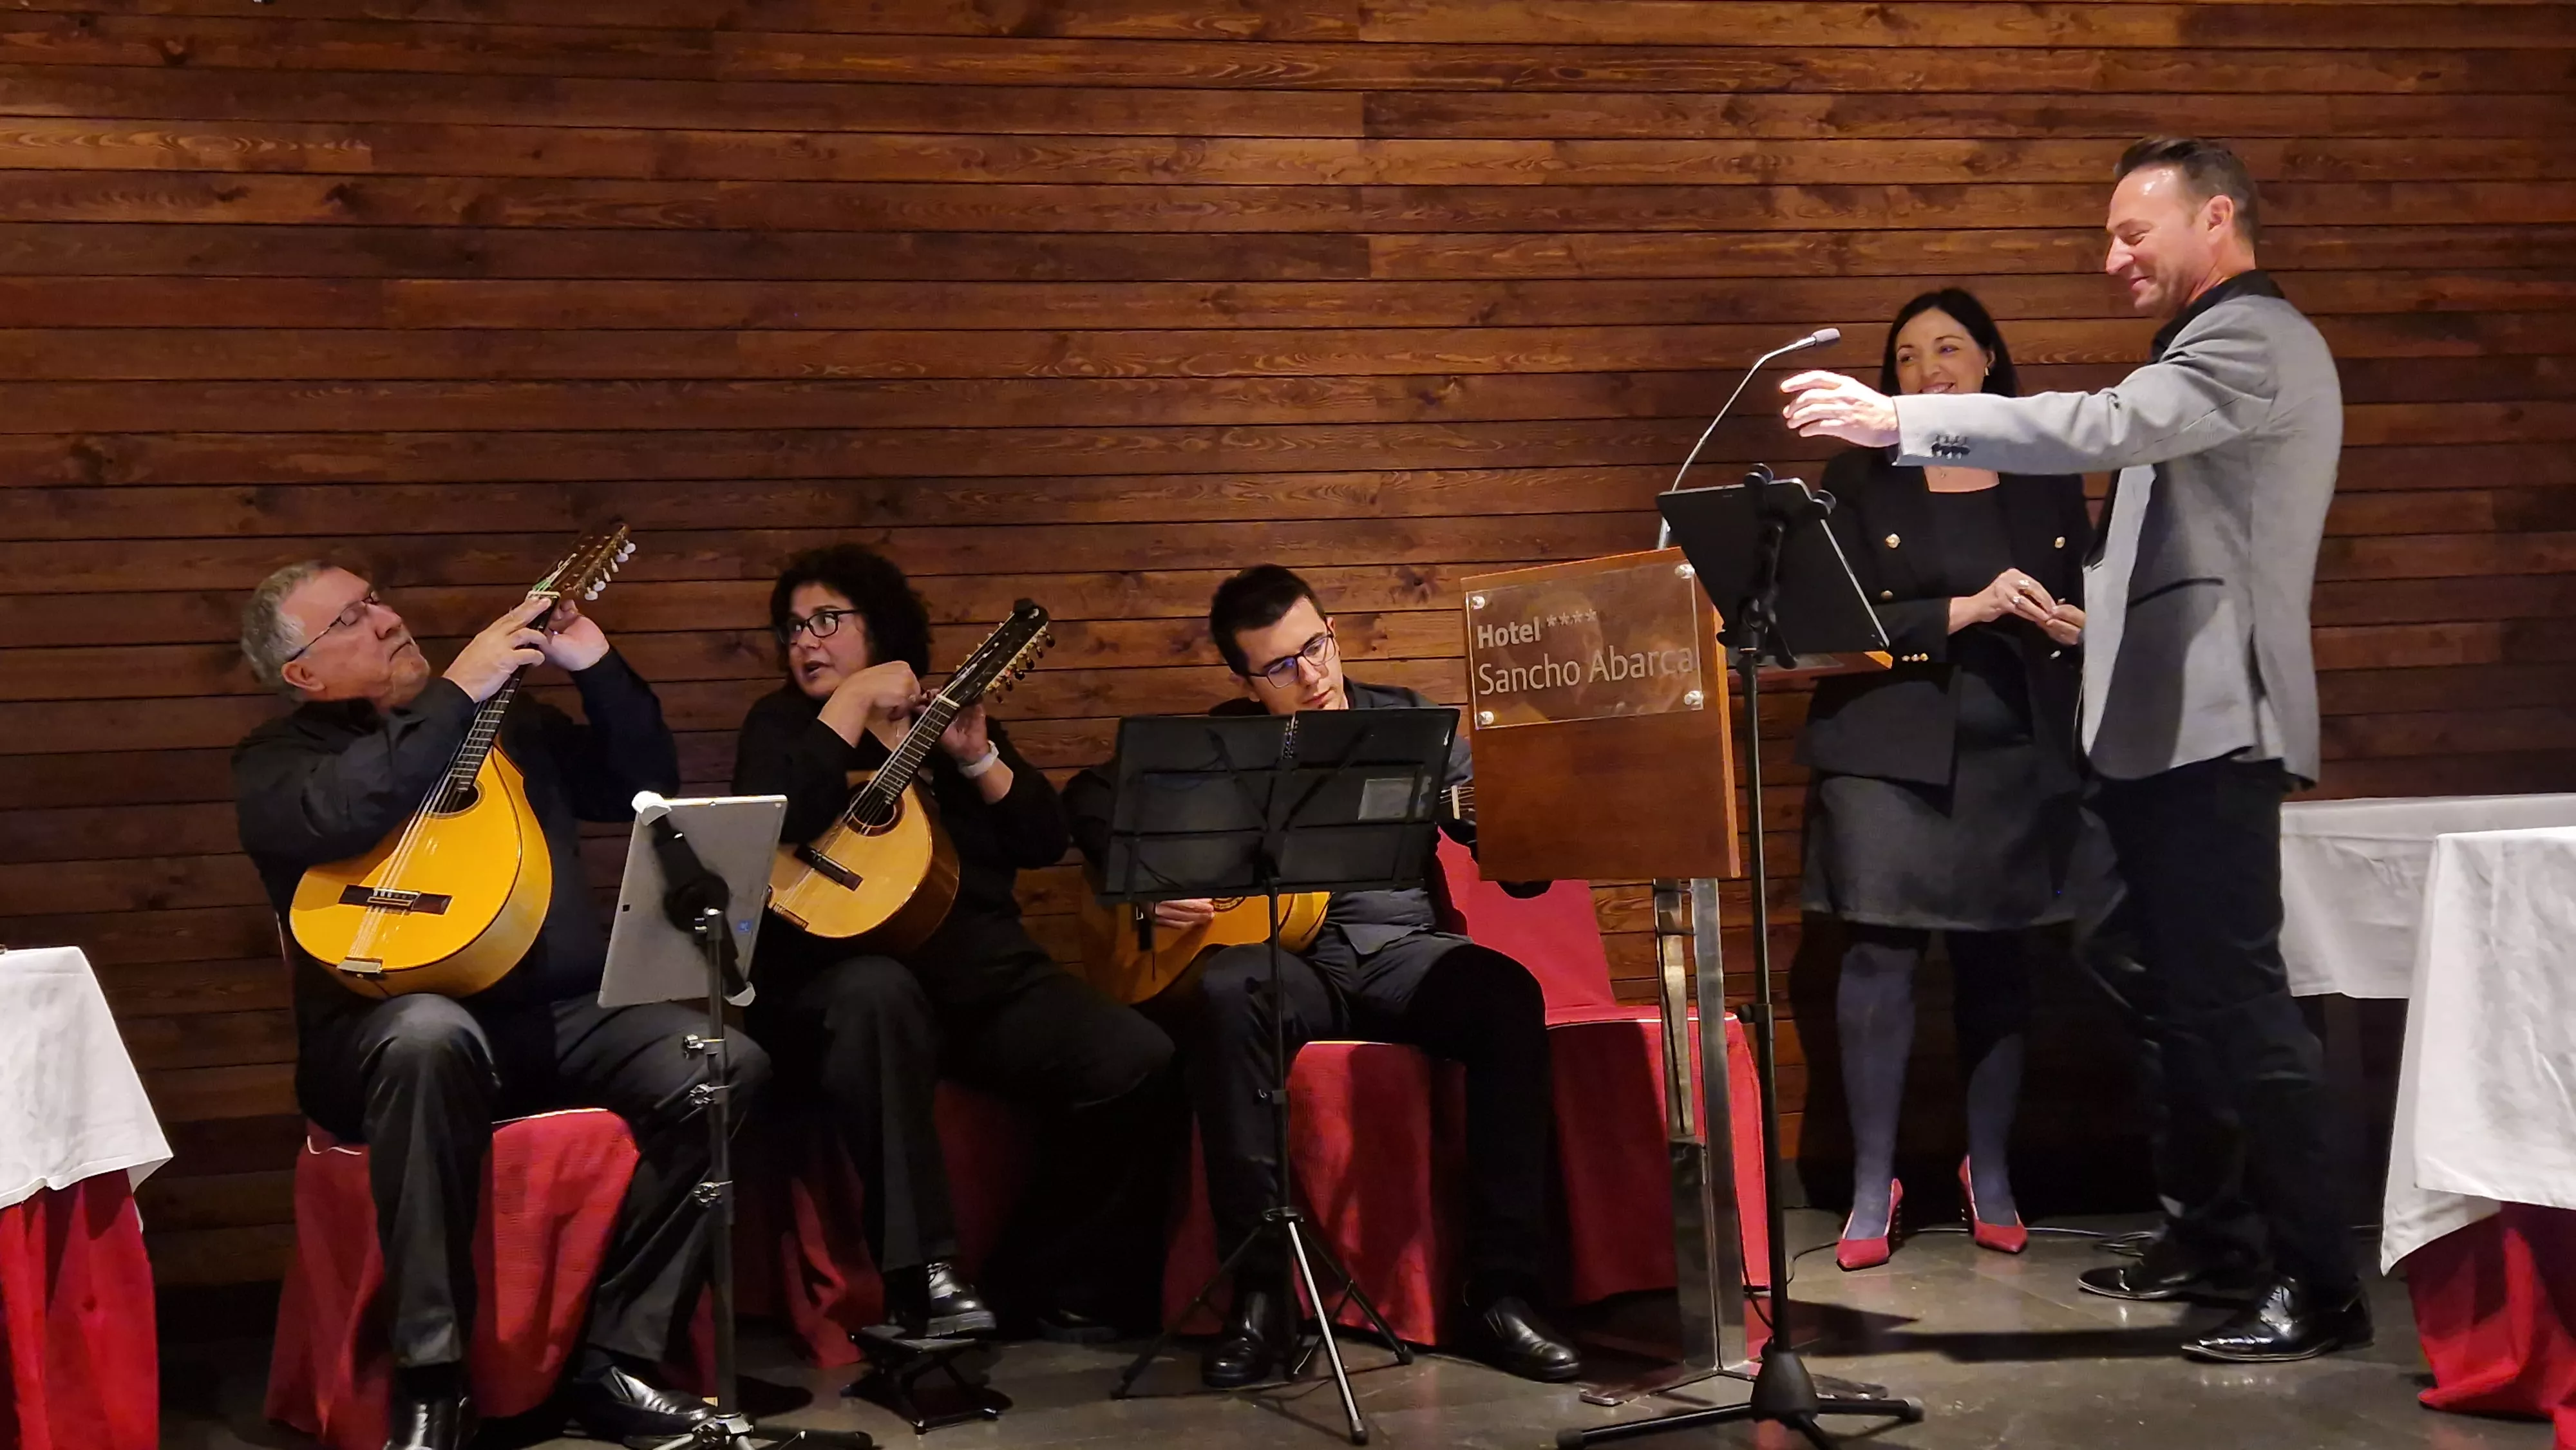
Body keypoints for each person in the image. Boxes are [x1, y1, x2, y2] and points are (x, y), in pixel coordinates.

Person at [1781, 136, 2364, 1362]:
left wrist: (1900, 416)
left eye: (2131, 234)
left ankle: (2320, 1281)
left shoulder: (2250, 337)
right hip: (2150, 734)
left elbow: (2107, 425)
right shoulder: (2203, 348)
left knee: (2239, 1009)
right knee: (2163, 998)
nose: (2113, 258)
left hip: (2215, 731)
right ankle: (2213, 1237)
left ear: (2217, 218)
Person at [232, 561, 765, 1450]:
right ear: (304, 675)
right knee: (429, 1034)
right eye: (353, 618)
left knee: (723, 1062)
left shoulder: (513, 723)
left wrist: (596, 665)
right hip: (383, 1035)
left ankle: (618, 1358)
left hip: (548, 1016)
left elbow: (644, 779)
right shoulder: (280, 762)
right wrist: (457, 690)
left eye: (378, 597)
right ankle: (432, 1379)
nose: (387, 617)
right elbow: (348, 805)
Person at [1063, 565, 1584, 1388]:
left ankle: (1502, 1291)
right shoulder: (1227, 743)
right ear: (1244, 680)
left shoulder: (1413, 726)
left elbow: (1520, 869)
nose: (1309, 675)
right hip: (1295, 959)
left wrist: (1510, 826)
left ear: (1333, 632)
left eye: (1315, 647)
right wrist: (1143, 880)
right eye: (1278, 667)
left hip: (1402, 953)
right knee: (1231, 990)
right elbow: (1089, 796)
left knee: (1504, 995)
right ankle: (1262, 1296)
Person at [729, 544, 1177, 1342]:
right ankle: (921, 1277)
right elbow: (786, 815)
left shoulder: (945, 724)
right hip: (846, 988)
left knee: (1135, 1058)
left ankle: (1044, 1278)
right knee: (876, 992)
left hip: (982, 983)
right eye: (792, 627)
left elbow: (1043, 837)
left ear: (885, 626)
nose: (805, 641)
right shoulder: (781, 726)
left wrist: (978, 756)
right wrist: (855, 696)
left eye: (827, 620)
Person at [1796, 288, 2092, 1271]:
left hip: (2014, 743)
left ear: (1991, 362)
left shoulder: (2045, 478)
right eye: (1912, 356)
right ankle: (1870, 1183)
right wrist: (1962, 611)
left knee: (1998, 963)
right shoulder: (1855, 477)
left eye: (1952, 349)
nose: (1932, 370)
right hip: (1883, 748)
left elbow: (2094, 603)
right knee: (1876, 959)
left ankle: (1990, 1171)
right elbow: (1823, 625)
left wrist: (2076, 631)